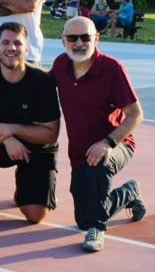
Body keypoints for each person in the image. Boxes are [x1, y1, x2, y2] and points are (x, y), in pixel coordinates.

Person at [49, 16, 146, 252]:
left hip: (117, 144)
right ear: (63, 41)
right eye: (72, 38)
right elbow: (38, 82)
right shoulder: (61, 65)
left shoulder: (112, 68)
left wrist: (108, 142)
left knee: (100, 165)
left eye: (85, 37)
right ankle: (129, 192)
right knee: (83, 218)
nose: (79, 43)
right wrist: (8, 64)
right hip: (80, 153)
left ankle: (98, 229)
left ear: (96, 39)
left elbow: (135, 115)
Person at [0, 22, 61, 233]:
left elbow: (50, 133)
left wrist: (13, 129)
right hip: (2, 142)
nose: (11, 48)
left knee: (35, 216)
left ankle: (24, 190)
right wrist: (8, 139)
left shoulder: (43, 82)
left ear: (27, 49)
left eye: (17, 43)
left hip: (38, 147)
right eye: (5, 43)